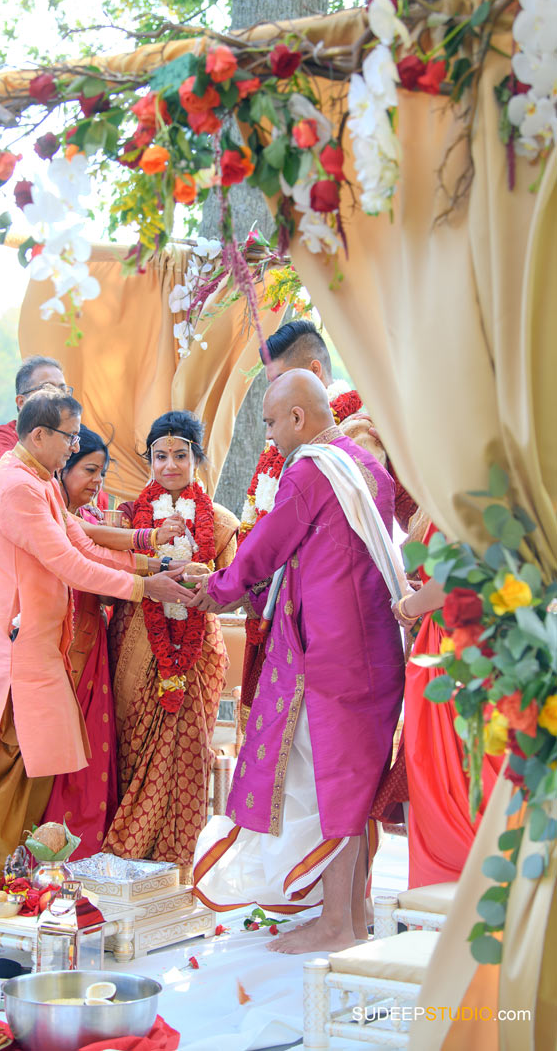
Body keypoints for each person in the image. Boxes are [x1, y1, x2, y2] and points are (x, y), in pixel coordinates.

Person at [191, 370, 406, 954]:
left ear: (297, 418)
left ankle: (336, 923)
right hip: (376, 650)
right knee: (357, 785)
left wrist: (217, 588)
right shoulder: (368, 468)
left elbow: (269, 546)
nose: (268, 437)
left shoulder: (312, 468)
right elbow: (321, 557)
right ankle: (355, 914)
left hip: (333, 656)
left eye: (269, 422)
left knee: (335, 786)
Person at [0, 390, 191, 885]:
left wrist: (152, 563)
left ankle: (20, 875)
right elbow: (68, 563)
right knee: (3, 766)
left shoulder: (36, 480)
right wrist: (145, 584)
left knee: (34, 766)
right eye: (70, 437)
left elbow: (80, 540)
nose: (74, 447)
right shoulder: (16, 486)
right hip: (11, 647)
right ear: (38, 435)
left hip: (37, 646)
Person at [237, 319, 416, 732]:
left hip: (335, 629)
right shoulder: (289, 438)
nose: (272, 396)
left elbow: (394, 520)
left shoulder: (360, 426)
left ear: (313, 375)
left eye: (280, 379)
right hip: (280, 608)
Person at [102, 411, 240, 866]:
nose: (169, 466)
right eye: (159, 456)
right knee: (135, 744)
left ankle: (180, 864)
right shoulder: (125, 519)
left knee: (189, 750)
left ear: (197, 458)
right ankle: (126, 858)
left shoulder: (220, 523)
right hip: (138, 645)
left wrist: (204, 577)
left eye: (180, 455)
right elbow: (108, 577)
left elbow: (233, 588)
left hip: (198, 649)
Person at [391, 519, 502, 887]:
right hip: (477, 637)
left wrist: (409, 606)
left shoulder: (465, 501)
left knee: (457, 766)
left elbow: (453, 579)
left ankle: (463, 880)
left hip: (457, 644)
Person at [0, 354, 70, 473]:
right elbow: (10, 476)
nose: (59, 398)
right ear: (22, 402)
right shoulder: (1, 440)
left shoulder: (71, 439)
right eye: (48, 389)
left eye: (63, 391)